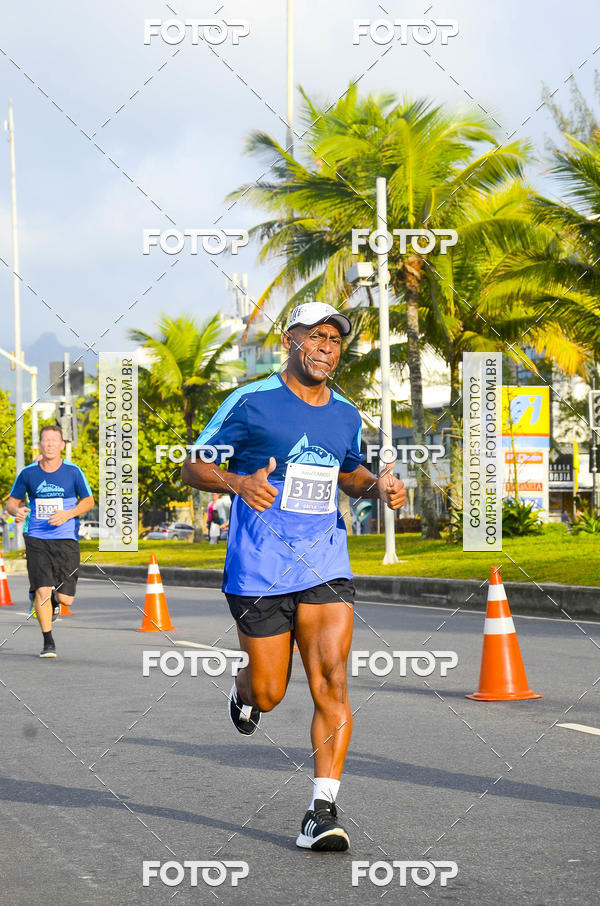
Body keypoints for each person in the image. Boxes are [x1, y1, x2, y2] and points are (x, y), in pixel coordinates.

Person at [182, 301, 406, 852]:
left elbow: (348, 473)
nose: (328, 347)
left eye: (335, 339)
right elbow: (191, 466)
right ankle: (245, 695)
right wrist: (236, 482)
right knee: (271, 690)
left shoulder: (346, 413)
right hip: (259, 568)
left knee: (331, 682)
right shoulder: (251, 401)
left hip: (325, 560)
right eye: (317, 336)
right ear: (291, 339)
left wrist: (377, 485)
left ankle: (321, 810)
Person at [6, 425, 94, 658]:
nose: (50, 444)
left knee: (66, 598)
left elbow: (88, 501)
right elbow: (11, 502)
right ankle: (48, 642)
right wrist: (18, 510)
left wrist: (68, 513)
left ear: (62, 445)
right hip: (36, 536)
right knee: (43, 591)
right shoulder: (28, 473)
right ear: (40, 445)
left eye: (55, 440)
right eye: (46, 440)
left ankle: (53, 600)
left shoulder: (73, 472)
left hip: (66, 538)